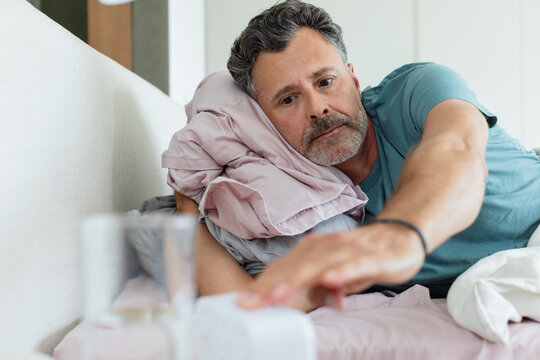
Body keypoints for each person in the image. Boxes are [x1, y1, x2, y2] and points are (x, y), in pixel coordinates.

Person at [174, 0, 540, 311]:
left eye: (325, 82)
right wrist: (187, 204)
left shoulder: (416, 89)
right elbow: (249, 304)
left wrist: (400, 236)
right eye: (288, 99)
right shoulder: (302, 210)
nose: (317, 108)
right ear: (264, 123)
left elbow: (455, 149)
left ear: (353, 78)